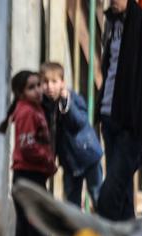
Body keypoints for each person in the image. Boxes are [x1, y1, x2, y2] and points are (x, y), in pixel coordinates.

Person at [0, 70, 58, 236]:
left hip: (29, 177)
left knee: (27, 231)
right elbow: (27, 146)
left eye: (39, 85)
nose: (39, 90)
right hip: (29, 177)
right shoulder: (26, 112)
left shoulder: (33, 109)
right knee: (38, 230)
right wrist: (48, 161)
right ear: (21, 93)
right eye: (32, 87)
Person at [98, 0, 142, 221]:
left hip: (130, 123)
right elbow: (107, 68)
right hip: (109, 117)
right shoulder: (111, 23)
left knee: (108, 195)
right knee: (124, 195)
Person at [40, 62, 102, 210]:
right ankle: (76, 233)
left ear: (63, 83)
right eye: (45, 82)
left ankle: (105, 231)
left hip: (88, 155)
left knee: (97, 196)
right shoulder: (44, 105)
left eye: (54, 82)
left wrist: (66, 104)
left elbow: (79, 122)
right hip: (69, 162)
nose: (49, 86)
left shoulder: (73, 98)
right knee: (72, 205)